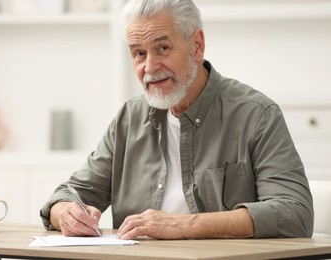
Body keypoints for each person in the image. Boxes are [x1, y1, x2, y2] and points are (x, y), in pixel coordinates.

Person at [40, 0, 313, 239]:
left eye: (163, 48)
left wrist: (183, 225)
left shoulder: (256, 114)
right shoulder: (129, 118)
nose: (149, 67)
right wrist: (65, 213)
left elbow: (294, 212)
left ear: (197, 45)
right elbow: (69, 194)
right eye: (139, 53)